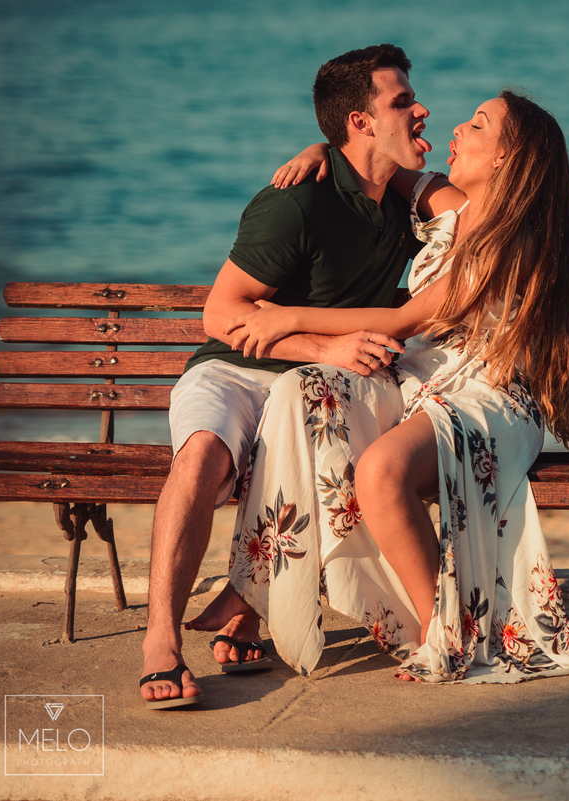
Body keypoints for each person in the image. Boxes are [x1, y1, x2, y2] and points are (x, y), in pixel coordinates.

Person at [185, 90, 569, 684]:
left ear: (508, 157)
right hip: (419, 386)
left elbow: (403, 322)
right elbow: (379, 160)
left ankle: (443, 638)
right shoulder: (453, 209)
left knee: (378, 471)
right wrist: (319, 152)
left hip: (489, 399)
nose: (457, 127)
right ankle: (254, 585)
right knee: (304, 392)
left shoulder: (513, 239)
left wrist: (287, 317)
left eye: (477, 125)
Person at [140, 44, 431, 709]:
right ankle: (161, 638)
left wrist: (325, 143)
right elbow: (221, 313)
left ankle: (248, 601)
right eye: (401, 102)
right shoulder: (296, 203)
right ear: (360, 121)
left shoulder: (399, 208)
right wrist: (322, 346)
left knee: (312, 429)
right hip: (235, 370)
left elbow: (474, 206)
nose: (420, 109)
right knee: (203, 455)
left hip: (310, 388)